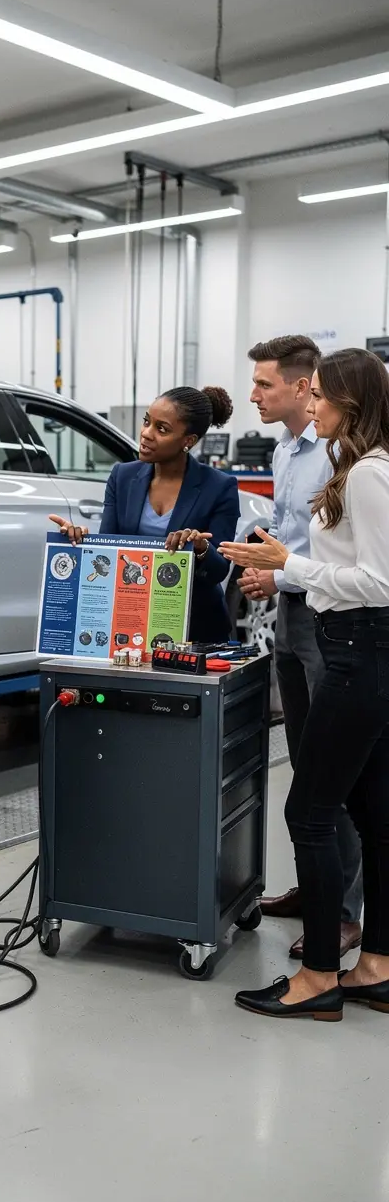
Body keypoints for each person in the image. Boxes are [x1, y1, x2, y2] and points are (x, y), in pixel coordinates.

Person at [221, 348, 389, 1021]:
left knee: (310, 814)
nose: (308, 403)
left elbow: (379, 585)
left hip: (358, 655)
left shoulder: (370, 476)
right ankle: (376, 964)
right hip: (357, 650)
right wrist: (286, 563)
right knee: (373, 815)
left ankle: (319, 975)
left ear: (349, 404)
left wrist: (292, 563)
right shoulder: (358, 470)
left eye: (317, 395)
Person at [240, 336, 363, 960]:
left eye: (264, 384)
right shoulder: (287, 448)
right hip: (291, 614)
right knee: (302, 756)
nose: (254, 395)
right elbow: (291, 534)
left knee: (333, 767)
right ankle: (315, 887)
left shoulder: (342, 455)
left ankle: (343, 910)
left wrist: (278, 571)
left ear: (300, 383)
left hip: (328, 616)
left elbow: (337, 555)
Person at [51, 384, 240, 644]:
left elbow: (219, 570)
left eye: (161, 429)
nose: (146, 434)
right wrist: (80, 541)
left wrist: (201, 548)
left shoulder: (219, 487)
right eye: (146, 422)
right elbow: (110, 552)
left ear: (188, 441)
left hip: (195, 630)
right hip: (130, 624)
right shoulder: (122, 477)